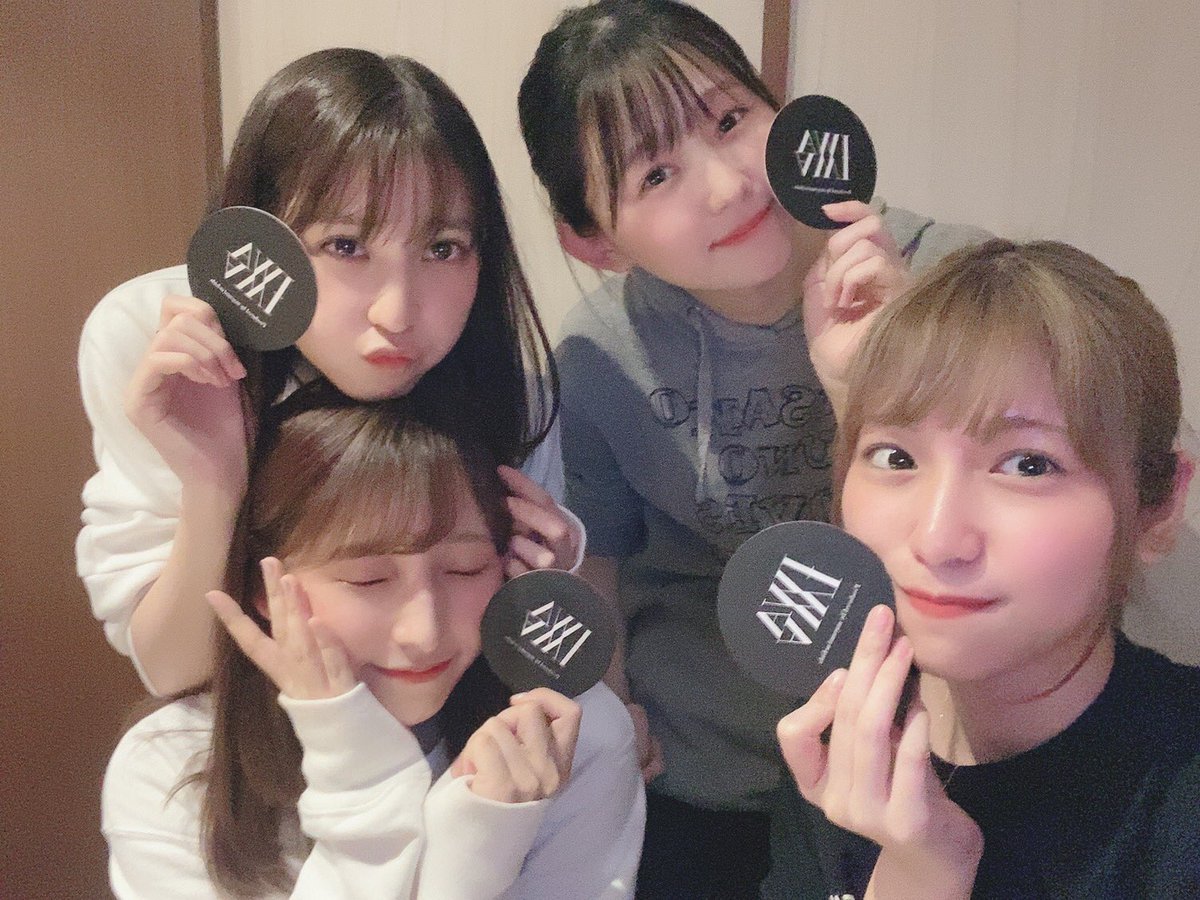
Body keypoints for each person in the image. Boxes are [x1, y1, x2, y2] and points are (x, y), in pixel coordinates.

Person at [517, 0, 988, 891]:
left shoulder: (951, 283)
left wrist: (898, 366)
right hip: (705, 783)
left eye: (732, 120)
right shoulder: (600, 357)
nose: (730, 186)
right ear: (595, 241)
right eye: (656, 174)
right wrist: (612, 723)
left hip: (936, 768)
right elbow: (596, 562)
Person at [78, 49, 581, 698]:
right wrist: (213, 488)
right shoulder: (159, 349)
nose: (396, 312)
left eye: (442, 248)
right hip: (249, 729)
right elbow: (176, 671)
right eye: (346, 245)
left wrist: (537, 593)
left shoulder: (509, 392)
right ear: (260, 237)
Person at [767, 239, 1200, 898]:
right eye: (895, 457)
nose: (938, 539)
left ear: (1159, 505)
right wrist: (918, 874)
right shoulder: (835, 726)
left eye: (1029, 465)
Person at [102, 393, 645, 898]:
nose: (424, 633)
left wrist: (483, 836)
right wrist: (365, 786)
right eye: (368, 580)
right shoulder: (173, 766)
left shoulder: (575, 735)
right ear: (264, 589)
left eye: (465, 568)